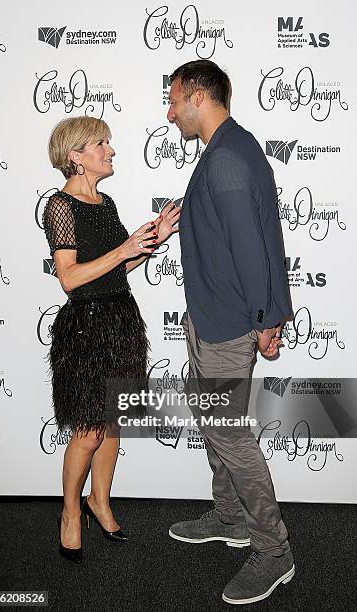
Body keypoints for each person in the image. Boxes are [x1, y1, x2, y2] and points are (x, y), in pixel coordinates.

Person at [166, 60, 294, 605]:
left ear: (198, 96)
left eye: (174, 101)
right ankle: (230, 518)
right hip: (211, 316)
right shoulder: (228, 151)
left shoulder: (225, 160)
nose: (169, 113)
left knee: (230, 436)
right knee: (212, 422)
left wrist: (267, 318)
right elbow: (260, 230)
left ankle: (273, 548)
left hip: (226, 324)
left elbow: (253, 246)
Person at [43, 116, 180, 563]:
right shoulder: (59, 207)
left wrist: (153, 238)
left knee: (114, 424)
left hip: (122, 323)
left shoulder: (107, 202)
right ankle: (69, 514)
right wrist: (122, 250)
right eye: (101, 143)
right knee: (87, 432)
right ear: (75, 156)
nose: (111, 150)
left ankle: (99, 502)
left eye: (108, 142)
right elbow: (69, 278)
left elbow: (119, 268)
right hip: (85, 330)